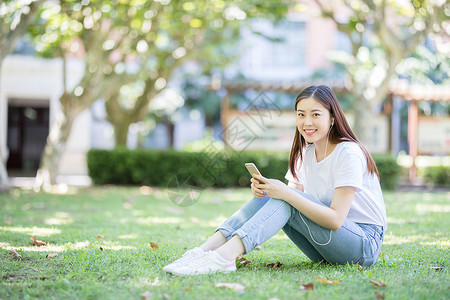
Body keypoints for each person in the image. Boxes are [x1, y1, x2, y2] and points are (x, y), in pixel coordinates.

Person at [163, 85, 387, 276]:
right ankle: (204, 251)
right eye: (301, 114)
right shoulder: (306, 153)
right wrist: (266, 191)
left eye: (316, 114)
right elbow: (288, 202)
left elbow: (336, 220)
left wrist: (284, 193)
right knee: (278, 197)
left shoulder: (347, 152)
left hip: (363, 245)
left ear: (332, 118)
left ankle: (224, 257)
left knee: (285, 197)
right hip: (327, 247)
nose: (306, 121)